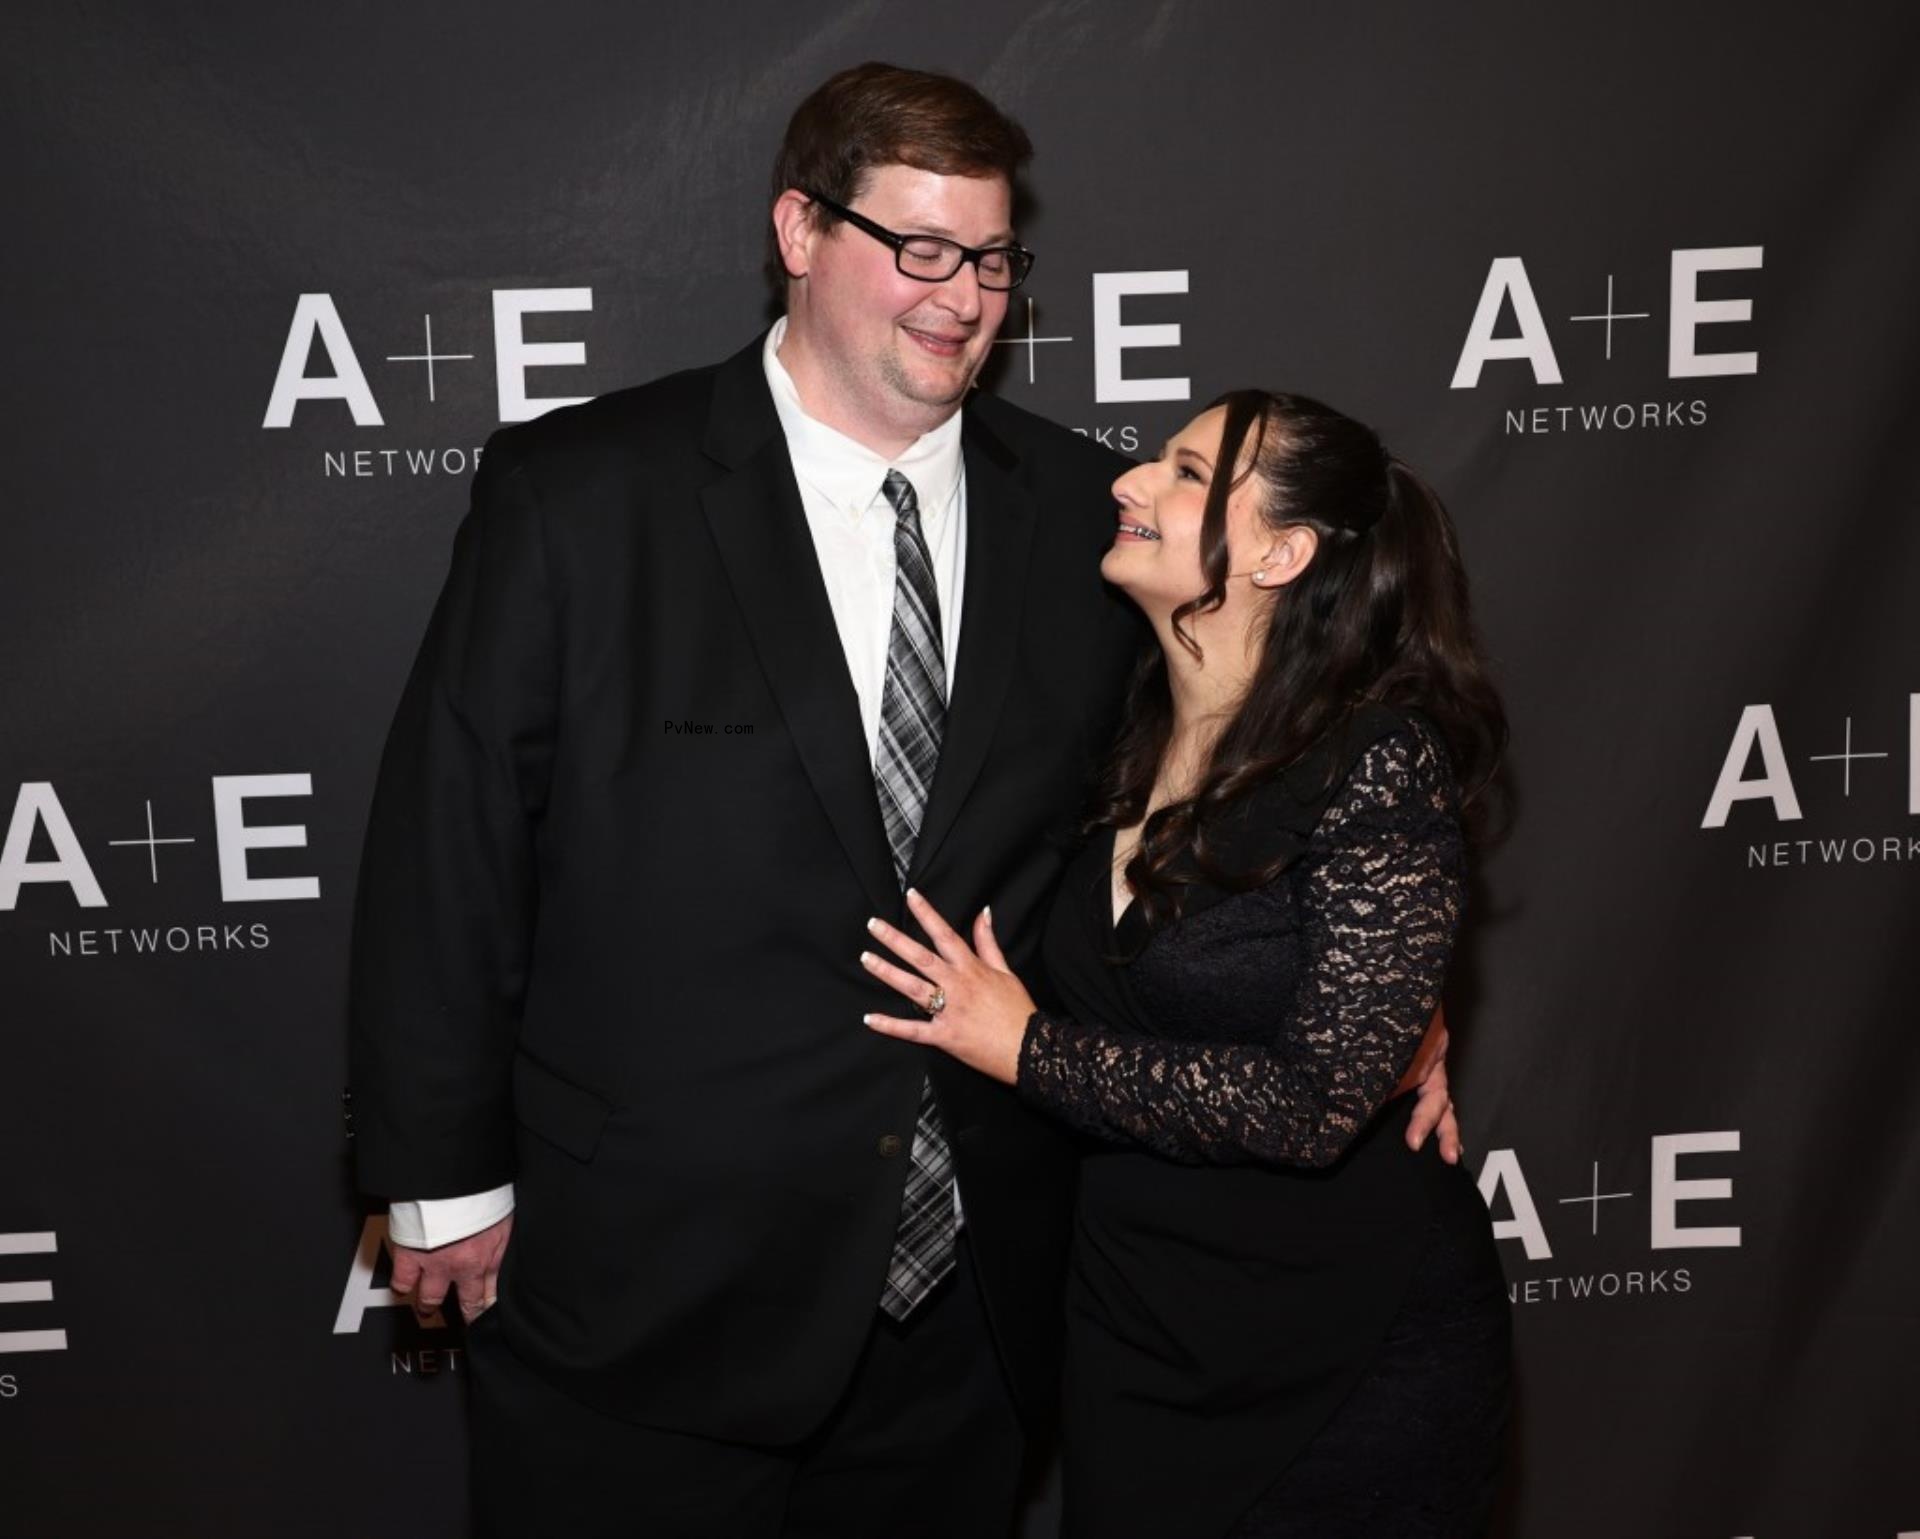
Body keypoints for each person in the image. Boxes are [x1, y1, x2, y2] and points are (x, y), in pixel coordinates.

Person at [347, 62, 1459, 1539]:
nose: (963, 296)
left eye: (993, 258)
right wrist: (438, 1175)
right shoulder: (584, 490)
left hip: (976, 1298)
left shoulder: (1090, 512)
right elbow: (451, 842)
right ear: (800, 231)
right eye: (919, 248)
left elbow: (1244, 772)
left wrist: (1386, 995)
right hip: (647, 1284)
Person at [859, 389, 1511, 1537]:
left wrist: (1025, 1048)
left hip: (1342, 1352)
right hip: (1134, 1340)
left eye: (1187, 472)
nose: (1129, 483)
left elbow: (1315, 1106)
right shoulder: (1115, 739)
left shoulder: (1373, 758)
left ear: (1279, 551)